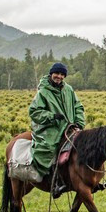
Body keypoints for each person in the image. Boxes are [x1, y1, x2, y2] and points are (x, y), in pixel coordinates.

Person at [29, 62, 85, 198]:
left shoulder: (69, 90)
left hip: (70, 127)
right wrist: (51, 116)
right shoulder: (43, 92)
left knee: (83, 146)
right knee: (51, 149)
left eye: (61, 74)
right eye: (56, 73)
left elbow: (78, 107)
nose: (59, 76)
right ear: (51, 74)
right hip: (50, 129)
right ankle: (55, 182)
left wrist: (79, 122)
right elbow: (34, 111)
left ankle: (84, 179)